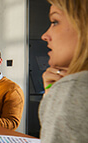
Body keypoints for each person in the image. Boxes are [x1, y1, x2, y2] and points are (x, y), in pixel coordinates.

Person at [39, 0, 88, 142]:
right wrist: (52, 96)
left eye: (55, 22)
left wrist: (62, 93)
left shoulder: (75, 87)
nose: (45, 36)